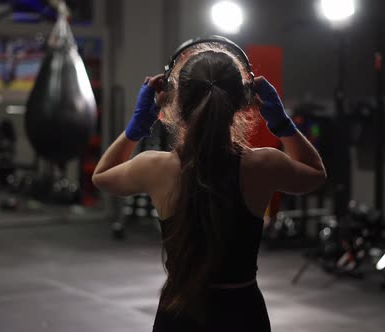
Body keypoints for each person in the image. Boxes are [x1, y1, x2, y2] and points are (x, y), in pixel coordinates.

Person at [92, 41, 326, 331]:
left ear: (176, 102)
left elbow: (101, 175)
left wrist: (137, 127)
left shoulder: (155, 166)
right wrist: (282, 124)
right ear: (244, 100)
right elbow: (316, 173)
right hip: (242, 313)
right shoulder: (262, 165)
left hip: (179, 313)